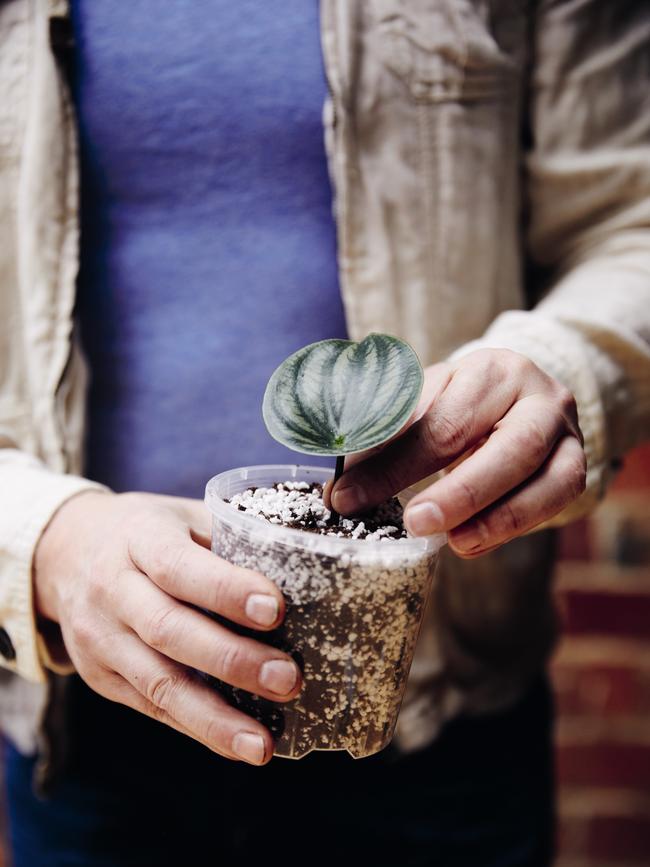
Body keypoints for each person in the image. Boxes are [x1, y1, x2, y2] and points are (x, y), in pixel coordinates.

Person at [0, 1, 648, 864]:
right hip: (88, 720)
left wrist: (562, 364)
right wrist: (39, 536)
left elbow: (628, 217)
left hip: (433, 726)